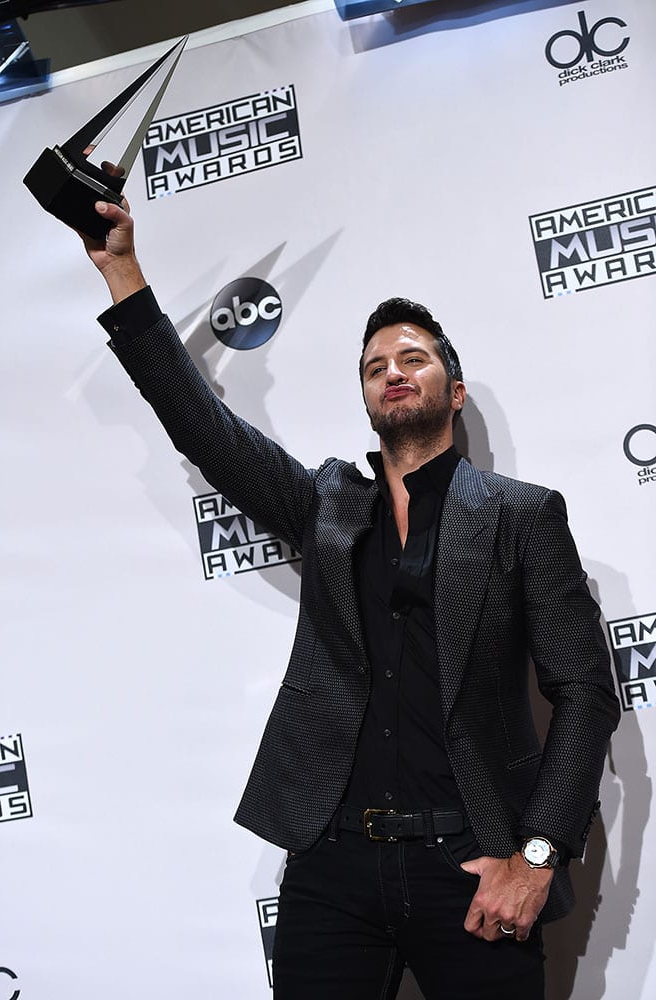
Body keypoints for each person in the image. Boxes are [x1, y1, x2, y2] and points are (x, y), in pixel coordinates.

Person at [79, 198, 620, 999]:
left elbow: (583, 694)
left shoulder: (521, 515)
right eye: (375, 367)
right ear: (367, 400)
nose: (393, 372)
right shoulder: (327, 504)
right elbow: (203, 429)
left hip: (472, 868)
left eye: (412, 359)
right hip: (331, 870)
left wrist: (535, 858)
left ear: (455, 391)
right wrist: (121, 267)